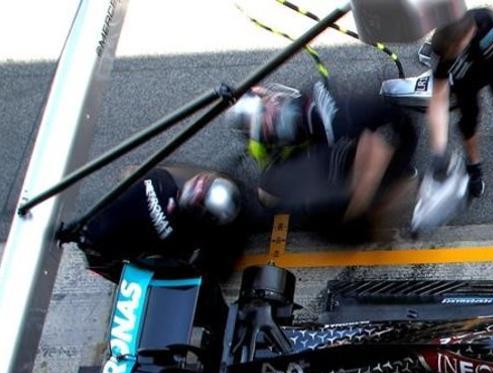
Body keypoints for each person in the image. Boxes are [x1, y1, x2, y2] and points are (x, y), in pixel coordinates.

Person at [228, 80, 418, 234]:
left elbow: (377, 152)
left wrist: (354, 213)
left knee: (335, 212)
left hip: (391, 139)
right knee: (270, 192)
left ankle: (398, 179)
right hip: (352, 139)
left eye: (266, 123)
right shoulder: (295, 108)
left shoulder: (334, 124)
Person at [55, 167, 242, 281]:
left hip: (96, 221)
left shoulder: (161, 177)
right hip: (101, 246)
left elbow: (130, 173)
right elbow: (177, 262)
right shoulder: (175, 237)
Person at [426, 7, 493, 199]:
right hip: (464, 82)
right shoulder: (444, 51)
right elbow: (438, 99)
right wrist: (439, 148)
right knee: (468, 124)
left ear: (469, 32)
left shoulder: (484, 20)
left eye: (454, 50)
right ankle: (474, 163)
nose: (450, 55)